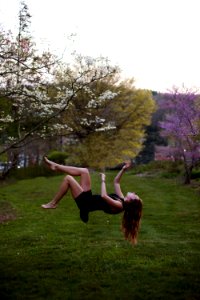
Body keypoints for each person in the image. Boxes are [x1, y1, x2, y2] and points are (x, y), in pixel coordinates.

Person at [41, 157, 143, 245]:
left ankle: (53, 203)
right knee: (84, 171)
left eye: (135, 196)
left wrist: (103, 180)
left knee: (68, 179)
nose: (134, 193)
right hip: (89, 198)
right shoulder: (121, 199)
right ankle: (56, 166)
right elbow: (116, 182)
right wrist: (123, 169)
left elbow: (103, 196)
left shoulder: (119, 205)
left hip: (85, 204)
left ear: (131, 201)